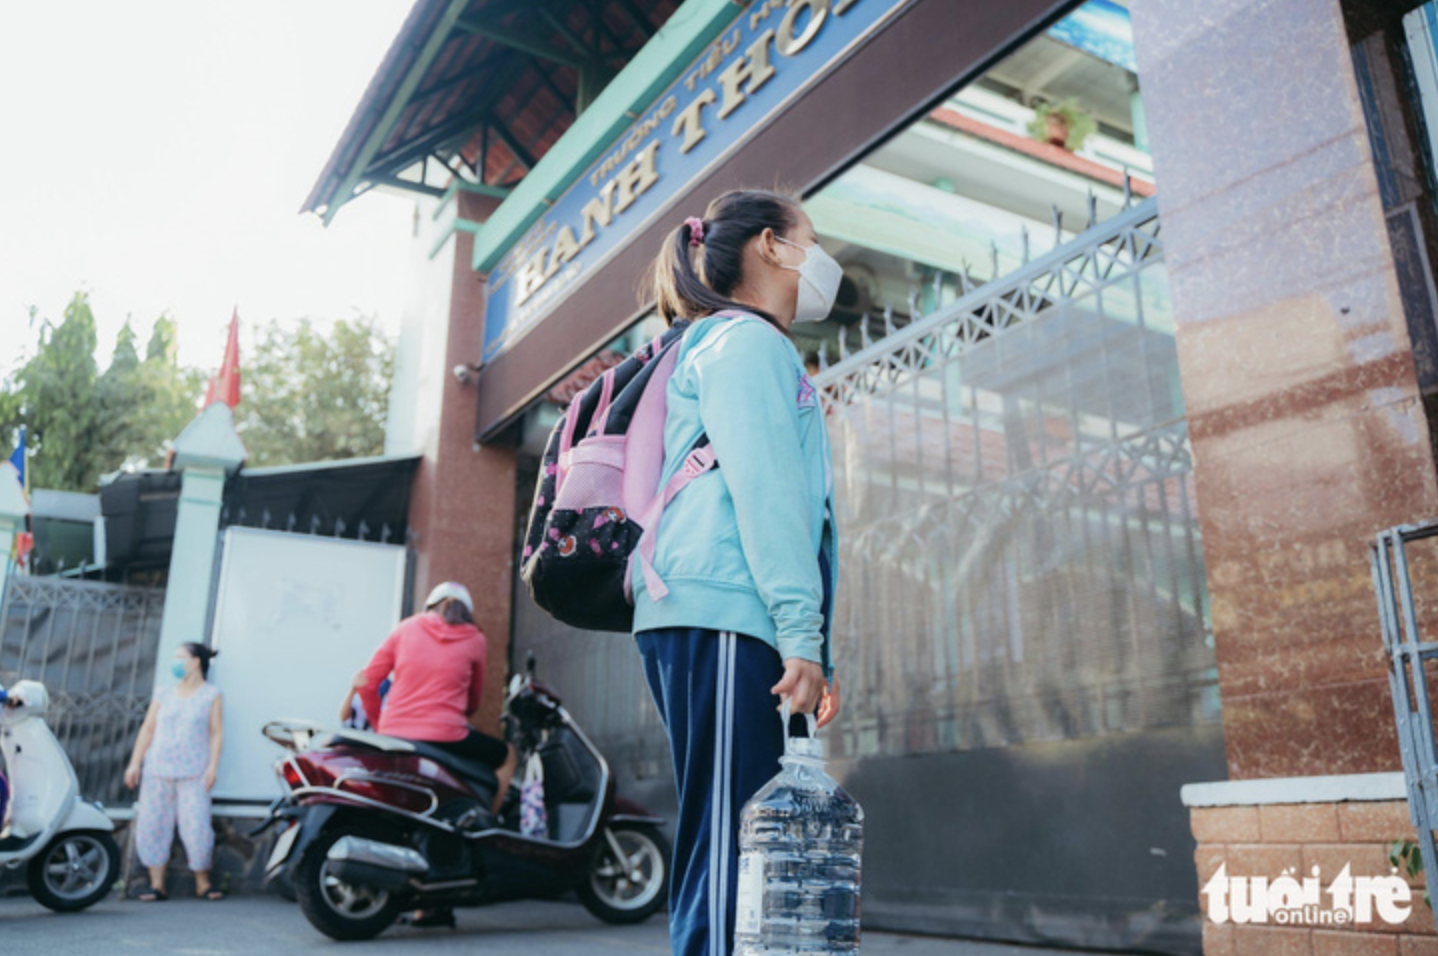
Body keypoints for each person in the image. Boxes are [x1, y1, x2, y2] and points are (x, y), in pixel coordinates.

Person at [632, 190, 842, 956]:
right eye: (810, 239)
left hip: (726, 613)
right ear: (771, 246)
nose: (820, 258)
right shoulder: (746, 344)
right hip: (725, 610)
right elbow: (767, 493)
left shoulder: (730, 344)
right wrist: (802, 634)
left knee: (741, 840)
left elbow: (787, 510)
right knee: (732, 841)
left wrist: (815, 648)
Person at [124, 642, 225, 902]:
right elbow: (148, 729)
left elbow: (216, 733)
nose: (176, 662)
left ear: (196, 662)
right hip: (157, 768)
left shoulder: (211, 694)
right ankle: (157, 884)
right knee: (153, 824)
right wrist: (135, 762)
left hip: (194, 772)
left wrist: (213, 765)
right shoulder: (163, 693)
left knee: (197, 825)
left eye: (181, 657)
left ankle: (203, 883)